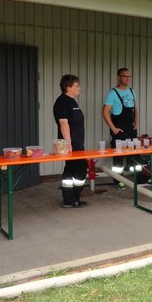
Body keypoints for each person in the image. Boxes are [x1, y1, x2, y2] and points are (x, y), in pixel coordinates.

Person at [53, 74, 88, 208]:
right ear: (68, 87)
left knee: (72, 168)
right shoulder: (62, 102)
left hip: (77, 143)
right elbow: (63, 123)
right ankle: (71, 198)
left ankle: (71, 199)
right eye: (76, 86)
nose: (79, 88)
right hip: (71, 144)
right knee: (80, 167)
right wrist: (68, 144)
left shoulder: (72, 101)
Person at [102, 68, 138, 187]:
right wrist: (113, 129)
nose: (127, 78)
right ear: (119, 77)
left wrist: (136, 122)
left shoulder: (132, 91)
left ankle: (137, 178)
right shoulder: (113, 93)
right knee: (118, 155)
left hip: (131, 128)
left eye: (129, 76)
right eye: (124, 76)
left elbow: (135, 108)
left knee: (134, 153)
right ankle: (119, 180)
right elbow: (105, 112)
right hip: (119, 129)